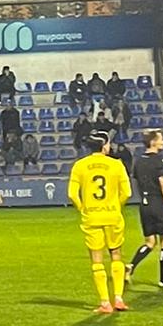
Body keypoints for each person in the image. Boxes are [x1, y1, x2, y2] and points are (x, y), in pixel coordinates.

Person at [69, 134, 131, 314]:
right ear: (104, 146)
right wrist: (115, 206)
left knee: (97, 259)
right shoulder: (117, 164)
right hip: (112, 215)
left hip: (92, 218)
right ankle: (118, 298)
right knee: (116, 254)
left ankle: (105, 302)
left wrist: (83, 209)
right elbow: (126, 193)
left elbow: (72, 194)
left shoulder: (79, 166)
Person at [128, 129, 163, 290]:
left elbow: (137, 181)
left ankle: (130, 266)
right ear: (153, 141)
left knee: (150, 242)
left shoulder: (138, 161)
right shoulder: (159, 161)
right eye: (161, 139)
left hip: (144, 204)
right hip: (158, 203)